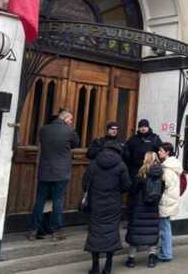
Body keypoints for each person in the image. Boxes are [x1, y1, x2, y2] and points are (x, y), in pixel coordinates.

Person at [28, 109, 79, 240]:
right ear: (65, 118)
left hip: (44, 171)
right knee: (58, 200)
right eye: (70, 119)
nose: (71, 122)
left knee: (40, 200)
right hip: (61, 172)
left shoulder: (43, 129)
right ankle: (56, 232)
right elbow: (75, 144)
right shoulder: (70, 130)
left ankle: (33, 230)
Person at [83, 140, 131, 274]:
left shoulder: (94, 163)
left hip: (96, 204)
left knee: (95, 233)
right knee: (111, 233)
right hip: (113, 204)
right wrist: (116, 192)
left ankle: (95, 267)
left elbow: (85, 183)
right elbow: (126, 185)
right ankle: (108, 266)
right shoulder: (121, 165)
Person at [125, 152, 162, 269]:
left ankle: (131, 259)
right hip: (153, 209)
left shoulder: (141, 175)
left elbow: (133, 190)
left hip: (139, 208)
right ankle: (151, 258)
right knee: (151, 232)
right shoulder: (160, 174)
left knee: (136, 232)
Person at [157, 143, 183, 264]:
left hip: (166, 199)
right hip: (172, 198)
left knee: (164, 228)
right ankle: (165, 252)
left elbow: (165, 184)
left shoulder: (167, 168)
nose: (159, 152)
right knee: (165, 226)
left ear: (167, 152)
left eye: (161, 150)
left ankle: (166, 253)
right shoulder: (174, 165)